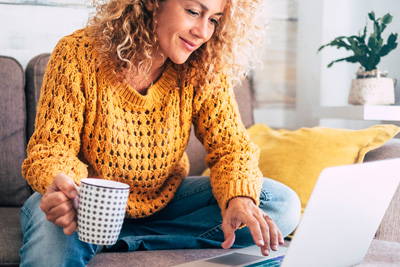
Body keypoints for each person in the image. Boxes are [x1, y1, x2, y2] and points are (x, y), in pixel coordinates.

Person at [19, 0, 301, 266]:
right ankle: (105, 234)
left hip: (165, 202)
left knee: (280, 203)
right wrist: (71, 193)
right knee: (53, 225)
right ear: (153, 2)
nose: (202, 32)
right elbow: (51, 150)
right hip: (88, 204)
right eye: (193, 11)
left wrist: (239, 199)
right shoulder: (77, 54)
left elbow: (232, 148)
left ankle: (117, 241)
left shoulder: (203, 66)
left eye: (214, 19)